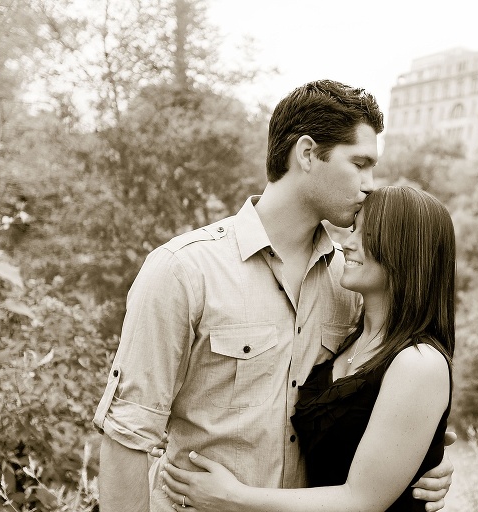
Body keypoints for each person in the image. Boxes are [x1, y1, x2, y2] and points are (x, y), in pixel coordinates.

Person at [93, 80, 454, 512]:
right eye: (359, 163)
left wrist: (420, 461)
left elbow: (374, 412)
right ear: (306, 153)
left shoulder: (351, 284)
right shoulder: (184, 270)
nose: (370, 185)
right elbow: (127, 435)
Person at [161, 185, 455, 512]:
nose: (348, 242)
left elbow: (362, 501)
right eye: (354, 229)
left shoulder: (419, 363)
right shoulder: (352, 338)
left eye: (367, 234)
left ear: (409, 251)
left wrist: (230, 497)